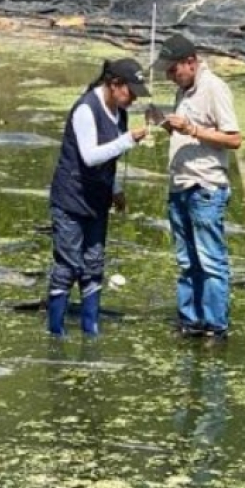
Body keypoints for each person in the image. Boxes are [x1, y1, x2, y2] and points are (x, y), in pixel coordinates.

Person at [46, 58, 150, 337]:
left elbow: (110, 157)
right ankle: (56, 332)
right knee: (69, 267)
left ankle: (91, 329)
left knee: (93, 266)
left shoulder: (120, 113)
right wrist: (129, 139)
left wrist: (115, 189)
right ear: (114, 84)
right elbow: (90, 156)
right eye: (131, 91)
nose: (134, 98)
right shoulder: (86, 109)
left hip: (98, 200)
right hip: (71, 199)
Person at [153, 34, 243, 339]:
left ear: (190, 63)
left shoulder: (214, 88)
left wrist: (191, 128)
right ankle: (190, 321)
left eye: (172, 70)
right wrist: (166, 124)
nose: (169, 76)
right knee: (185, 260)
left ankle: (216, 326)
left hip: (206, 187)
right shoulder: (184, 89)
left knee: (210, 260)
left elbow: (234, 139)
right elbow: (184, 135)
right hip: (179, 185)